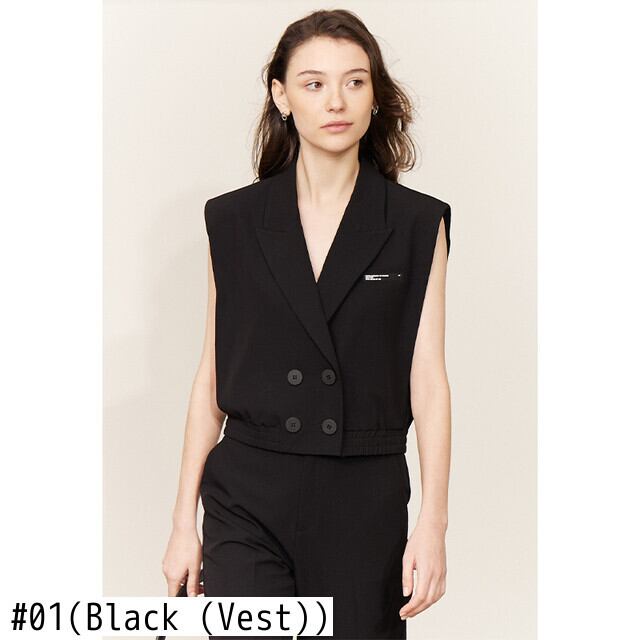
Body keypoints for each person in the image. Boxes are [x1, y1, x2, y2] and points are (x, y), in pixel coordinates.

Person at [162, 9, 451, 639]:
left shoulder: (416, 224)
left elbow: (428, 379)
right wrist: (184, 522)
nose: (335, 101)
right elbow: (212, 374)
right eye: (313, 83)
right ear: (281, 96)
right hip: (247, 493)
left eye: (355, 81)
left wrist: (433, 524)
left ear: (376, 95)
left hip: (364, 498)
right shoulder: (233, 221)